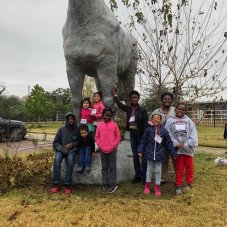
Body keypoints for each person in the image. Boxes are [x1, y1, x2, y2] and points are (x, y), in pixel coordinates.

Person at [112, 89, 148, 184]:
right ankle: (138, 175)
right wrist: (114, 95)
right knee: (135, 155)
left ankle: (145, 177)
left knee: (143, 156)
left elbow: (146, 125)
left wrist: (145, 138)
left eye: (136, 97)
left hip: (141, 135)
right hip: (132, 134)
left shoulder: (143, 110)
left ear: (138, 98)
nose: (134, 99)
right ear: (130, 99)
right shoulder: (128, 108)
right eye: (132, 98)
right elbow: (120, 105)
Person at [138, 114, 177, 197]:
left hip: (159, 153)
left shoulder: (164, 131)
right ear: (152, 120)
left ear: (160, 120)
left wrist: (173, 153)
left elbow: (169, 143)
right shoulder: (148, 130)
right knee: (149, 170)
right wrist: (140, 150)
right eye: (154, 118)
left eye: (158, 118)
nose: (156, 120)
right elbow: (143, 141)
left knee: (158, 171)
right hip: (149, 153)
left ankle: (157, 187)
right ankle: (147, 186)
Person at [165, 103, 198, 195]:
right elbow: (168, 134)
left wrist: (187, 144)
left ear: (186, 111)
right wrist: (176, 143)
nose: (181, 111)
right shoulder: (170, 121)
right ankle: (178, 184)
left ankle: (189, 183)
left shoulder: (189, 121)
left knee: (189, 167)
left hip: (188, 150)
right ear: (176, 109)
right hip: (178, 150)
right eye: (179, 109)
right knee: (179, 168)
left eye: (183, 110)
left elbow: (193, 135)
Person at [151, 92, 175, 183]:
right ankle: (163, 177)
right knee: (163, 158)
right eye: (165, 99)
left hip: (173, 139)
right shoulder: (156, 112)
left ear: (171, 100)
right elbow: (150, 123)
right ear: (162, 100)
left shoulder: (175, 110)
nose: (167, 100)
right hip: (160, 139)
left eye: (169, 99)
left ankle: (178, 177)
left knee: (175, 157)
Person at [51, 112, 78, 195]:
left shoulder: (77, 130)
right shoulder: (61, 130)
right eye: (69, 119)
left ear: (74, 120)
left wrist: (72, 144)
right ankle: (55, 184)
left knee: (70, 160)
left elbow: (79, 142)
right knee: (57, 160)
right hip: (61, 150)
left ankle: (67, 185)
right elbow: (55, 143)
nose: (70, 120)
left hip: (71, 151)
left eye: (72, 119)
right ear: (66, 120)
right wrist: (62, 149)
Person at [95, 107, 121, 193]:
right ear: (102, 115)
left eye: (109, 116)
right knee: (104, 167)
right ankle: (105, 184)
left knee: (112, 167)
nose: (107, 117)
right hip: (103, 150)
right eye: (106, 115)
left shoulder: (114, 125)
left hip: (112, 150)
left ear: (111, 116)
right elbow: (97, 137)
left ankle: (112, 184)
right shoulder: (99, 125)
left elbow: (118, 137)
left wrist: (113, 145)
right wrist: (100, 145)